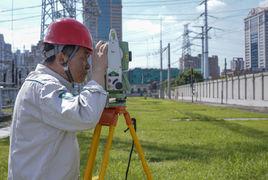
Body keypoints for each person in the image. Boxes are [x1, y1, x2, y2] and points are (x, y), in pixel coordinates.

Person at [8, 18, 108, 180]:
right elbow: (84, 114)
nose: (88, 65)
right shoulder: (44, 87)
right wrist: (98, 72)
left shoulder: (46, 85)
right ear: (62, 58)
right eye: (84, 57)